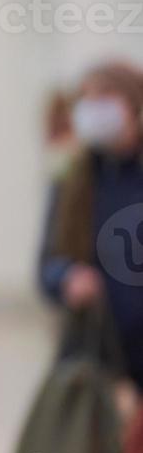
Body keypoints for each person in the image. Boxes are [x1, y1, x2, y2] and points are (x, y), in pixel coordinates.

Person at [39, 61, 143, 391]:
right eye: (87, 98)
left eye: (105, 96)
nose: (94, 108)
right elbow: (45, 268)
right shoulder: (73, 179)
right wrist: (67, 277)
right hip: (95, 363)